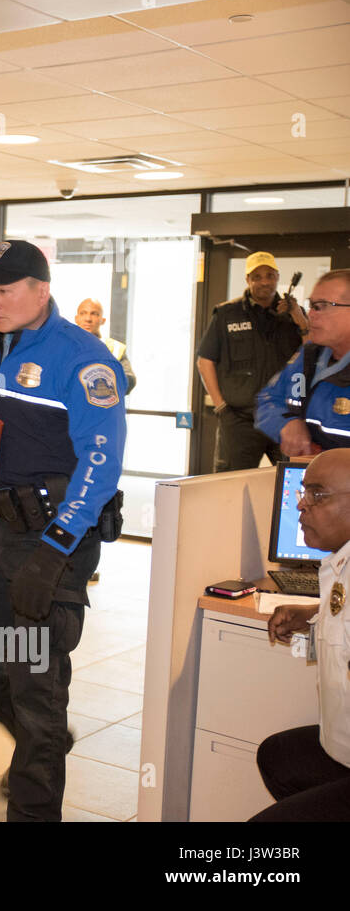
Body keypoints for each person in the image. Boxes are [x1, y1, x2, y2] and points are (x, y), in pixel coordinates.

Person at [0, 239, 127, 821]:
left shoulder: (84, 357)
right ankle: (38, 741)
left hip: (51, 537)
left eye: (4, 290)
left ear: (41, 290)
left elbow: (100, 466)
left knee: (36, 688)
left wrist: (53, 553)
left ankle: (33, 802)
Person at [252, 447, 350, 821]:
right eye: (303, 492)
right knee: (279, 756)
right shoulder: (341, 562)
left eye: (318, 494)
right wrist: (310, 617)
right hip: (340, 747)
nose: (301, 505)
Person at [196, 251, 307, 472]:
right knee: (232, 487)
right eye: (257, 276)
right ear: (247, 279)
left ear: (277, 277)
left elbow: (312, 350)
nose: (264, 281)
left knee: (293, 481)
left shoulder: (293, 312)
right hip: (239, 420)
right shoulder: (227, 313)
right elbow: (205, 360)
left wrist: (297, 315)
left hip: (284, 417)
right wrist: (221, 407)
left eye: (270, 275)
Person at [256, 270, 350, 456]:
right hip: (303, 480)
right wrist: (287, 423)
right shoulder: (308, 356)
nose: (311, 314)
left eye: (321, 306)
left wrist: (330, 461)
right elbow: (267, 399)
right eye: (311, 305)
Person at [74, 298, 136, 393]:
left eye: (94, 314)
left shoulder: (116, 348)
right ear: (76, 319)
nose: (88, 319)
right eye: (83, 313)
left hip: (105, 403)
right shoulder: (63, 346)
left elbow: (129, 380)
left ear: (103, 320)